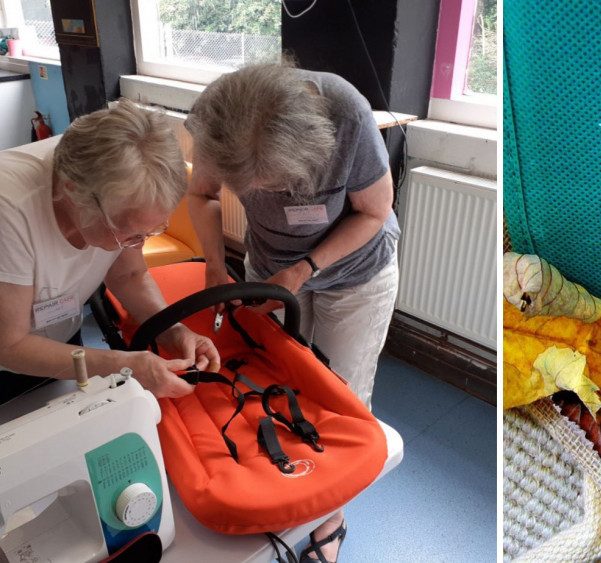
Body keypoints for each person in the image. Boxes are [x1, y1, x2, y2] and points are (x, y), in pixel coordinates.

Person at [185, 63, 399, 562]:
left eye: (280, 186)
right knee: (276, 379)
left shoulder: (346, 113)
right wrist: (216, 264)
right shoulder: (215, 118)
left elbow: (375, 210)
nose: (275, 199)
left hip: (356, 273)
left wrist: (301, 271)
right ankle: (290, 485)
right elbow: (201, 193)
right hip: (269, 269)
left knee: (341, 392)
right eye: (258, 190)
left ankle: (332, 518)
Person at [0, 99, 221, 405]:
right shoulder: (9, 211)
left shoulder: (112, 185)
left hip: (59, 336)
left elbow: (130, 274)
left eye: (149, 232)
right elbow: (9, 346)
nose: (137, 243)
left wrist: (170, 330)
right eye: (128, 231)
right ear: (73, 193)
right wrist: (122, 365)